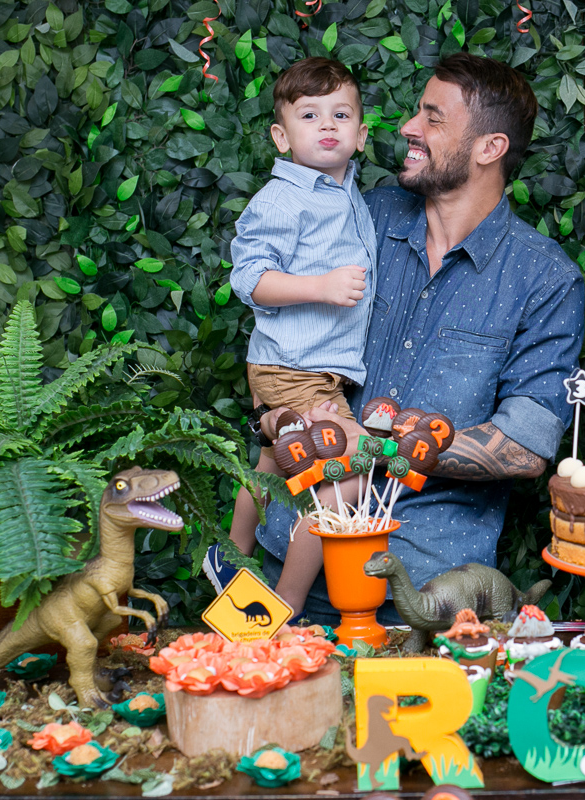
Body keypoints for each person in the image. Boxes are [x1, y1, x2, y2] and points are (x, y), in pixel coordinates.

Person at [218, 54, 585, 624]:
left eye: (433, 118)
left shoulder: (543, 278)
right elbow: (286, 337)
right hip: (279, 567)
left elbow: (525, 446)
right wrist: (273, 418)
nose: (409, 128)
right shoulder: (361, 217)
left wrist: (373, 446)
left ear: (490, 147)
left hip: (421, 596)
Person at [204, 58, 376, 612]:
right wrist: (321, 286)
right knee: (354, 464)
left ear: (360, 135)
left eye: (341, 115)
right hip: (295, 369)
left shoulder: (346, 193)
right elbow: (250, 279)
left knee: (275, 461)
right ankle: (288, 601)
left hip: (305, 368)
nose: (327, 124)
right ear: (282, 137)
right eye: (309, 115)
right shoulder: (282, 199)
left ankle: (229, 554)